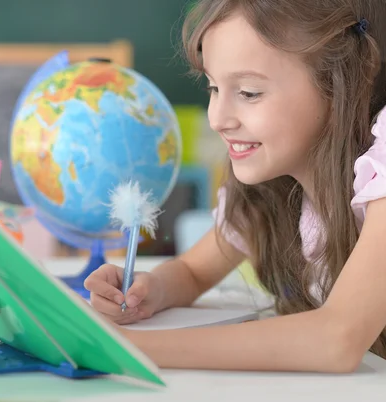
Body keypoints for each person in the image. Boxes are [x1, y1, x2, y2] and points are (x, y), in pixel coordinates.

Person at [84, 0, 386, 373]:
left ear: (346, 76)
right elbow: (193, 273)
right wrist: (149, 291)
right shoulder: (271, 184)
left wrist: (128, 347)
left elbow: (337, 339)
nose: (217, 118)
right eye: (213, 87)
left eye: (248, 93)